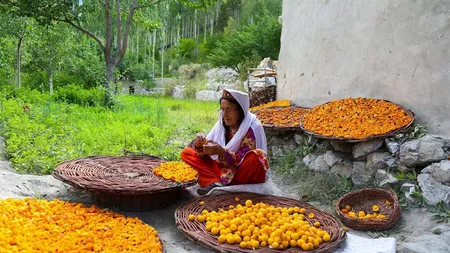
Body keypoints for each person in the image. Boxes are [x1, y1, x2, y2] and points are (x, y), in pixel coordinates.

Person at [181, 89, 270, 195]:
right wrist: (200, 144)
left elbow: (241, 159)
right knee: (187, 153)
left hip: (241, 172)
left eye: (229, 110)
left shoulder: (251, 127)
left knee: (257, 156)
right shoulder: (221, 124)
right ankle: (214, 183)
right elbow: (204, 151)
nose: (224, 115)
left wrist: (222, 152)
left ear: (240, 111)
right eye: (222, 110)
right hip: (222, 168)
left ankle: (227, 186)